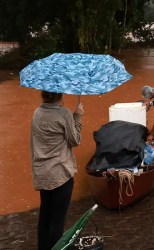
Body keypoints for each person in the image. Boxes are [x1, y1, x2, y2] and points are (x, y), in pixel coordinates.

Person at [31, 91, 83, 250]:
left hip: (43, 173)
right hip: (61, 173)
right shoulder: (64, 113)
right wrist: (78, 116)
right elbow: (75, 140)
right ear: (60, 94)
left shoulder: (37, 113)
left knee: (45, 216)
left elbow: (34, 144)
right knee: (57, 220)